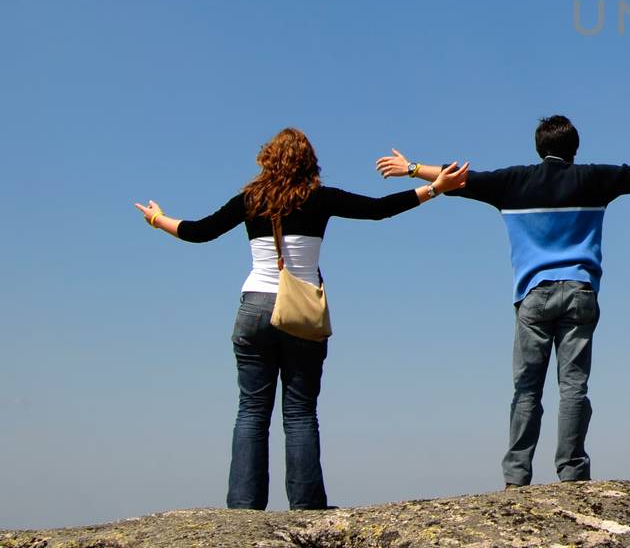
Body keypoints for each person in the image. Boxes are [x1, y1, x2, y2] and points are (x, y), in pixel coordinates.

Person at [376, 114, 630, 487]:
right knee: (574, 386)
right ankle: (572, 471)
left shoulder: (512, 182)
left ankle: (516, 477)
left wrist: (412, 168)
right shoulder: (593, 179)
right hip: (580, 292)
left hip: (533, 296)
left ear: (539, 148)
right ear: (575, 150)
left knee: (527, 388)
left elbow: (459, 176)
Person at [135, 127, 468, 510]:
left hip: (254, 309)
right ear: (309, 163)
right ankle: (307, 506)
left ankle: (243, 508)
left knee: (251, 412)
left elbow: (198, 232)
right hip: (302, 313)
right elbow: (378, 210)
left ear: (267, 160)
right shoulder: (320, 197)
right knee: (300, 412)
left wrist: (157, 219)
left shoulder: (250, 199)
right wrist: (434, 188)